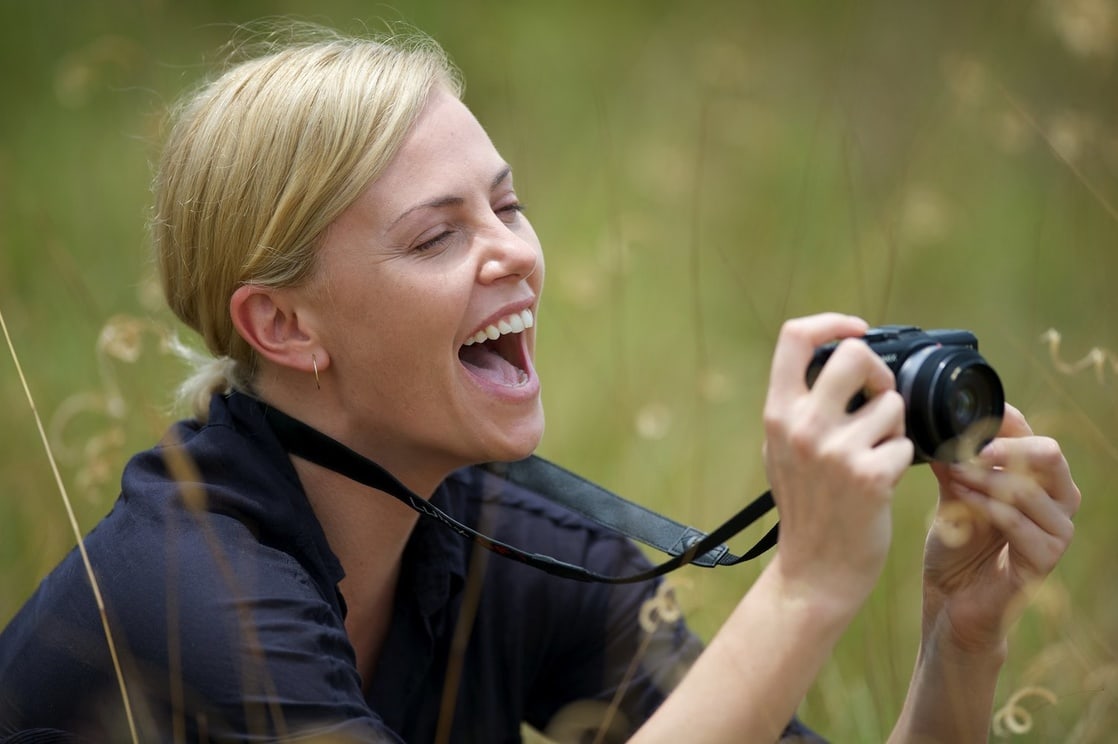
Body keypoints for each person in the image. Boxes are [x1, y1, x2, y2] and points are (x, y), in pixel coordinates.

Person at [0, 24, 1079, 744]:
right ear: (282, 325)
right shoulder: (191, 594)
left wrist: (958, 640)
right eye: (436, 236)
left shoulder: (503, 543)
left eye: (505, 207)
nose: (511, 253)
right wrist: (801, 588)